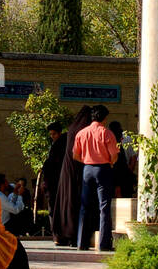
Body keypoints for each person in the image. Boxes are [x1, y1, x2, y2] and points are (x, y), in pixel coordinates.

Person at [73, 104, 119, 251]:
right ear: (105, 118)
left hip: (87, 169)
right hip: (103, 168)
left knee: (84, 206)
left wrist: (87, 161)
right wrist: (109, 164)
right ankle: (104, 244)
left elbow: (75, 155)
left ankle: (82, 242)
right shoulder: (107, 133)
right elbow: (114, 155)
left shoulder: (81, 133)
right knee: (104, 207)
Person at [50, 105, 93, 246]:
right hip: (79, 171)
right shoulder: (84, 131)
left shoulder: (71, 130)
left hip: (66, 172)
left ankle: (61, 235)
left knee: (66, 202)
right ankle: (75, 235)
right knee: (77, 203)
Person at [41, 122, 67, 231]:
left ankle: (58, 232)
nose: (52, 137)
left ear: (60, 133)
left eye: (54, 134)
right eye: (51, 134)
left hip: (57, 182)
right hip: (53, 182)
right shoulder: (55, 145)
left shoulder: (62, 145)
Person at [108, 120, 136, 199]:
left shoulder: (109, 140)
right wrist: (129, 172)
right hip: (123, 175)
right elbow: (133, 158)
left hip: (116, 175)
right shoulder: (126, 139)